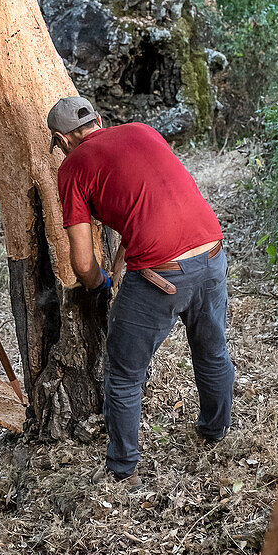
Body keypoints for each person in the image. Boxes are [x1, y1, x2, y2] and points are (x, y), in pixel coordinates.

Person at [47, 96, 234, 488]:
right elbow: (150, 205)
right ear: (99, 119)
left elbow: (82, 263)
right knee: (212, 349)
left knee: (125, 373)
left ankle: (121, 467)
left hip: (163, 272)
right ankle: (216, 433)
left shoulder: (72, 167)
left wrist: (100, 285)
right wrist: (119, 266)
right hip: (212, 251)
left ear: (63, 141)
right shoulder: (143, 132)